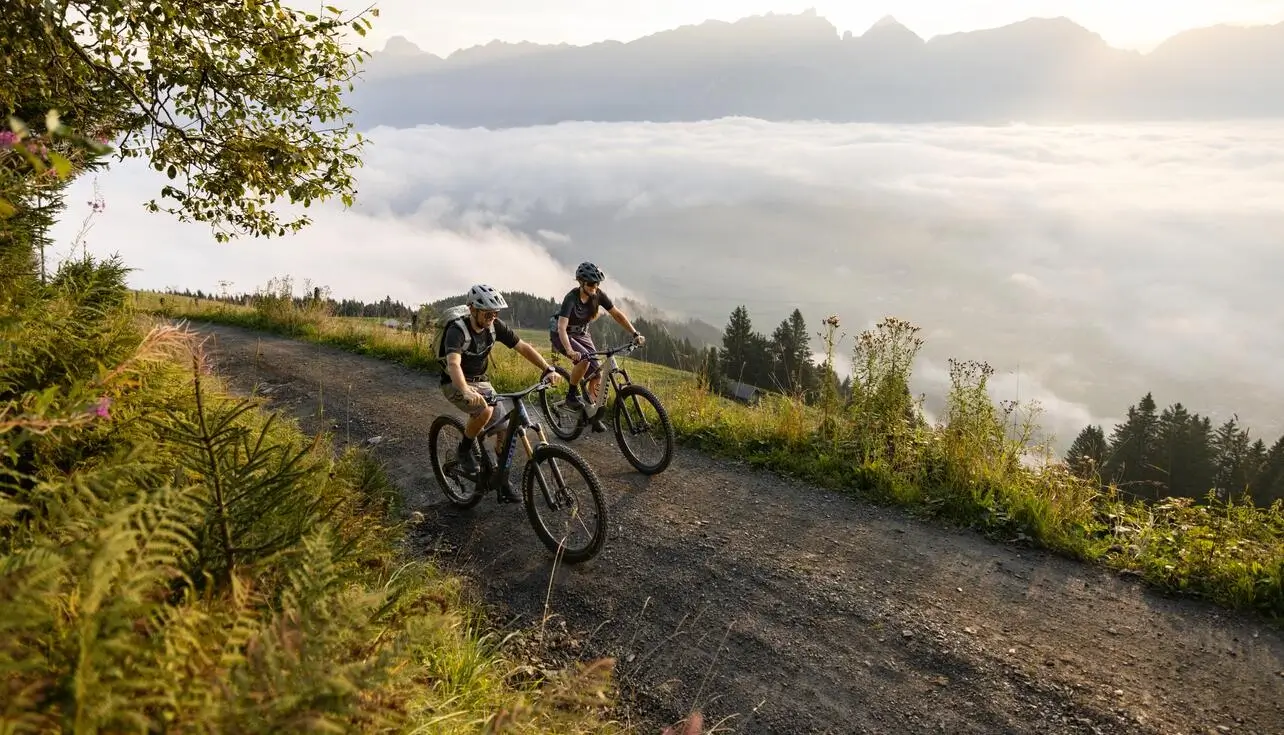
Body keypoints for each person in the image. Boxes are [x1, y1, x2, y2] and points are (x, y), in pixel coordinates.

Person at [440, 283, 560, 502]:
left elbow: (523, 347)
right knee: (483, 411)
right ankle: (464, 449)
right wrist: (466, 390)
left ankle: (500, 479)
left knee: (505, 429)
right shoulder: (457, 330)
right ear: (473, 309)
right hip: (456, 383)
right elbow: (454, 364)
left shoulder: (495, 326)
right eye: (487, 312)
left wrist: (547, 369)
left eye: (495, 313)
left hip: (482, 382)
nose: (492, 317)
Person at [550, 262, 645, 418]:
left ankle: (592, 412)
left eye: (597, 283)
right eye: (591, 283)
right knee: (584, 360)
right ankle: (571, 396)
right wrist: (569, 350)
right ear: (581, 282)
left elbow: (617, 314)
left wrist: (635, 334)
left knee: (597, 373)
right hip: (562, 334)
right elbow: (561, 327)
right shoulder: (571, 298)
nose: (595, 286)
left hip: (582, 334)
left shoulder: (598, 295)